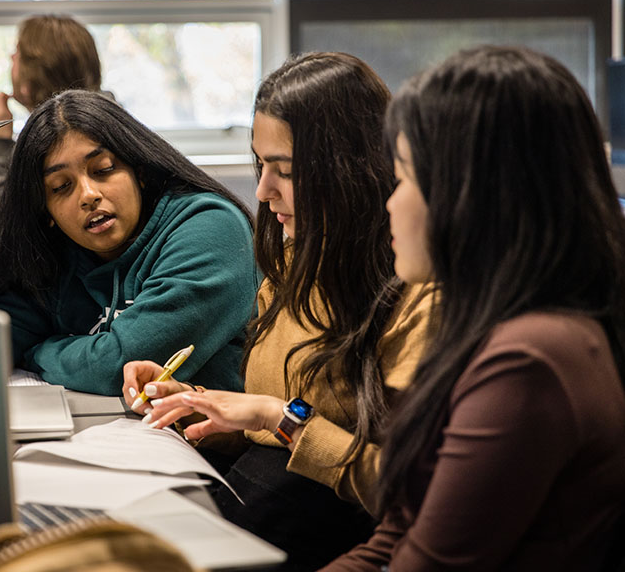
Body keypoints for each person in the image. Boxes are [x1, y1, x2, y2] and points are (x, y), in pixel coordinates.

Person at [125, 53, 435, 570]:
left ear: (348, 170)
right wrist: (203, 410)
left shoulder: (414, 295)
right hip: (261, 509)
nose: (264, 191)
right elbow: (266, 428)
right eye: (260, 164)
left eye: (284, 171)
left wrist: (281, 419)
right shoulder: (294, 260)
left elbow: (406, 489)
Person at [323, 45, 625, 570]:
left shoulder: (531, 358)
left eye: (406, 178)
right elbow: (394, 537)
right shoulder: (484, 325)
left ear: (472, 195)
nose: (390, 202)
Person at [0, 90, 258, 396]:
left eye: (102, 170)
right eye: (60, 187)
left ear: (140, 172)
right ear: (46, 210)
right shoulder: (59, 257)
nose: (88, 195)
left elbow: (123, 366)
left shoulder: (210, 228)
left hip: (222, 461)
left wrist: (40, 350)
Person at [0, 14, 103, 230]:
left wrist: (0, 145)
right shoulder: (105, 119)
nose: (11, 58)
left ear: (31, 75)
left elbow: (5, 231)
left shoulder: (62, 137)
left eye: (17, 54)